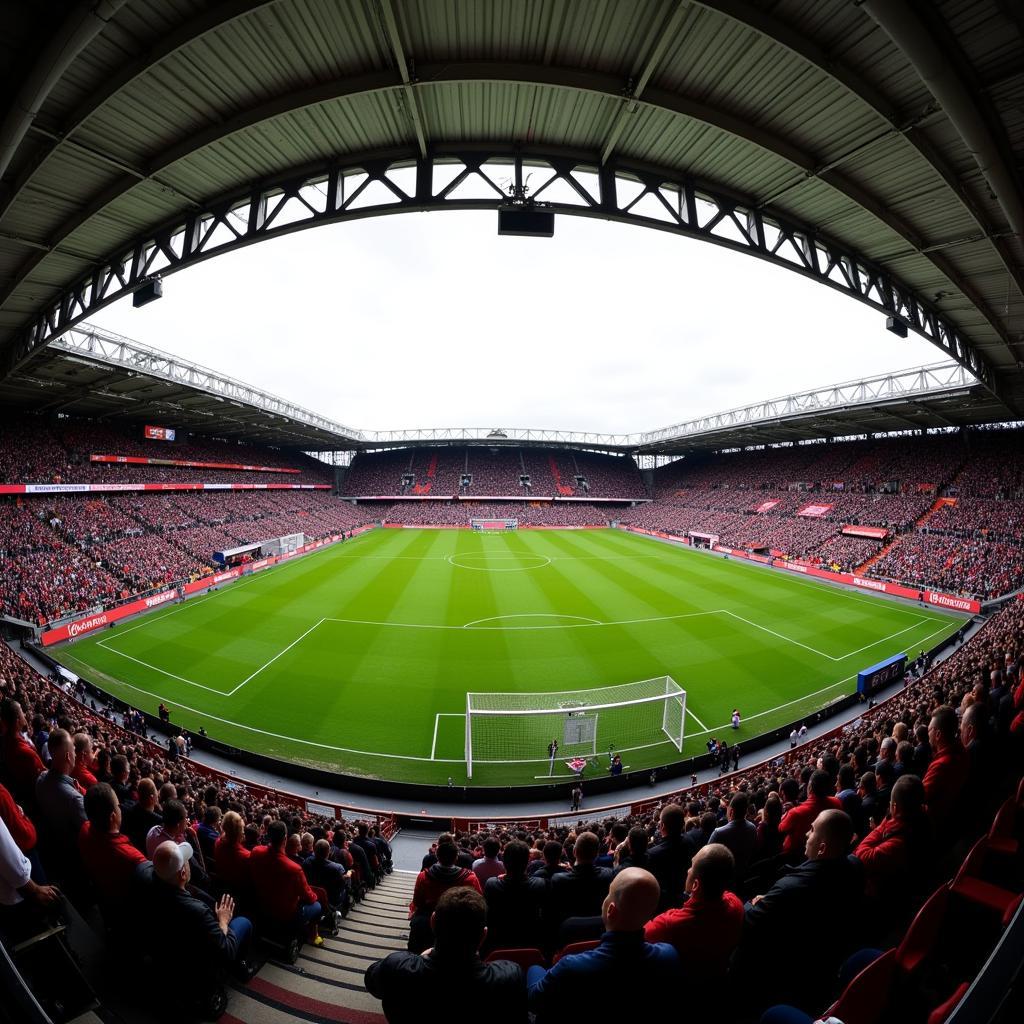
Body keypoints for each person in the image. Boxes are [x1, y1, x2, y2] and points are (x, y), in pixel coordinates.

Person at [733, 810, 863, 1013]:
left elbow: (747, 922)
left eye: (811, 830)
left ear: (821, 848)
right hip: (824, 964)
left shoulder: (789, 888)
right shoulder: (855, 866)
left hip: (788, 976)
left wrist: (754, 903)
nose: (806, 835)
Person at [528, 868, 679, 1021]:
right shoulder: (669, 956)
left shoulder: (571, 966)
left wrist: (535, 967)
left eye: (609, 893)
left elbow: (534, 998)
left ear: (610, 910)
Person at [365, 887, 525, 1024]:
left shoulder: (396, 966)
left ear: (433, 922)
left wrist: (419, 959)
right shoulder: (509, 977)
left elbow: (372, 983)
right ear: (484, 935)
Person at [148, 841, 252, 975]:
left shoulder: (149, 885)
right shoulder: (197, 910)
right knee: (244, 922)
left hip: (167, 957)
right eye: (186, 861)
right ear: (183, 873)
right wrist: (223, 920)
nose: (189, 863)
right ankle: (240, 968)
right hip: (199, 967)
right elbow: (225, 951)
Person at [644, 843, 743, 980]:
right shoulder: (737, 905)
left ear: (695, 885)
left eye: (692, 866)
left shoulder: (668, 924)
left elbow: (638, 937)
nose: (688, 871)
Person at [250, 820, 324, 946]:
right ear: (285, 838)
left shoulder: (256, 851)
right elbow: (308, 896)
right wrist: (316, 897)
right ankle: (312, 936)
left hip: (260, 905)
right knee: (317, 906)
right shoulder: (294, 868)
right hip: (286, 915)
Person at [408, 838, 482, 953]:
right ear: (456, 858)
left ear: (437, 856)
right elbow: (478, 903)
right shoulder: (470, 878)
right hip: (459, 922)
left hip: (427, 920)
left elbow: (418, 902)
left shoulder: (423, 876)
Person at [482, 839, 546, 951]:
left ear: (504, 861)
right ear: (528, 861)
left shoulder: (491, 884)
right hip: (532, 944)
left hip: (498, 945)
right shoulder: (540, 884)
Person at [647, 803, 692, 911]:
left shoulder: (652, 854)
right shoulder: (690, 842)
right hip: (684, 899)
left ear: (662, 826)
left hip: (663, 906)